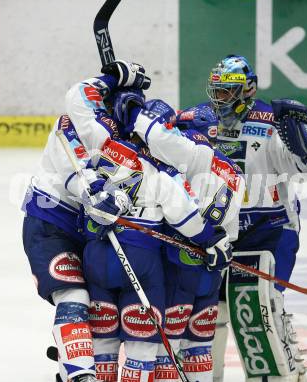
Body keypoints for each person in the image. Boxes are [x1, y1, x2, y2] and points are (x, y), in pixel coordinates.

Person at [203, 55, 307, 381]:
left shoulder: (270, 124)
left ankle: (285, 374)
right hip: (220, 234)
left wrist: (303, 135)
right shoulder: (202, 120)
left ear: (246, 90)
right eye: (216, 91)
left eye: (226, 92)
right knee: (211, 312)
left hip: (271, 230)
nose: (219, 99)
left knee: (261, 309)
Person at [21, 60, 152, 382]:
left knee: (100, 310)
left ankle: (72, 366)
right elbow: (75, 174)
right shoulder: (73, 123)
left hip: (93, 231)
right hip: (50, 221)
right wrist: (112, 76)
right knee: (73, 298)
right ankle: (81, 376)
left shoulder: (129, 141)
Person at [78, 119, 233, 382]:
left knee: (102, 344)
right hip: (141, 264)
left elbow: (78, 183)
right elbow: (185, 218)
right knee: (143, 347)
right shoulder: (164, 171)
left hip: (96, 257)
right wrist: (210, 239)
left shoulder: (104, 152)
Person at [111, 97, 245, 382]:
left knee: (165, 349)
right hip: (211, 273)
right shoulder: (235, 171)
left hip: (177, 267)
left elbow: (180, 214)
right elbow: (229, 229)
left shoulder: (180, 159)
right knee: (199, 348)